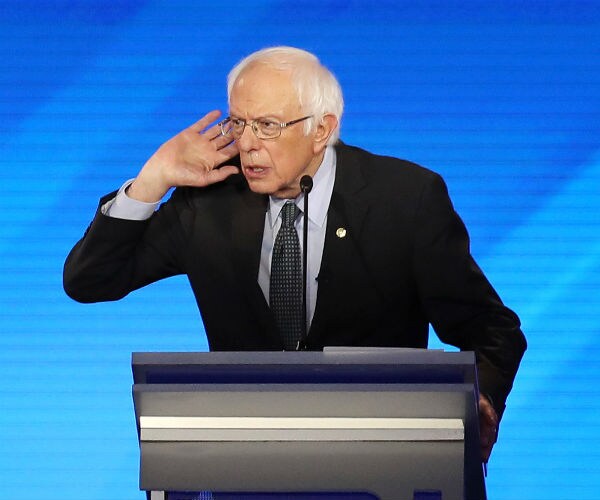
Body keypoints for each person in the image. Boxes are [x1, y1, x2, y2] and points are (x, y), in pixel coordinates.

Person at [63, 46, 526, 463]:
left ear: (322, 129)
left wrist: (480, 399)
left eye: (267, 126)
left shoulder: (404, 199)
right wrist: (152, 180)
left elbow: (491, 330)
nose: (246, 143)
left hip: (384, 458)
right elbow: (90, 280)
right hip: (248, 464)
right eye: (238, 123)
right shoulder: (208, 202)